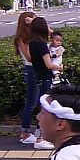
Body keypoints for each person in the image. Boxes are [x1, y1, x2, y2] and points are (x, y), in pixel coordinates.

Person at [27, 17, 62, 151]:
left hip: (38, 76)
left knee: (43, 106)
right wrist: (60, 68)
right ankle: (40, 139)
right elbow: (49, 64)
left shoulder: (32, 43)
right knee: (46, 108)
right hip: (46, 78)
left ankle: (38, 136)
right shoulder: (42, 44)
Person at [14, 11, 42, 145]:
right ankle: (24, 133)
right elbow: (29, 57)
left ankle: (37, 132)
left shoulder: (36, 35)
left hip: (39, 70)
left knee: (41, 102)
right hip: (31, 70)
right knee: (32, 103)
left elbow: (53, 34)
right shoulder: (22, 38)